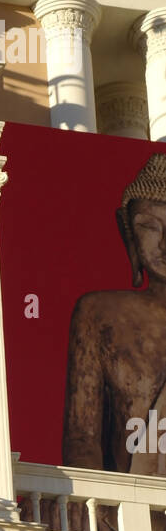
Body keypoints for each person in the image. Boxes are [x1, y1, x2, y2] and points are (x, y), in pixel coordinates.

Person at [63, 154, 166, 478]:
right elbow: (83, 438)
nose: (164, 243)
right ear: (130, 237)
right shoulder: (101, 314)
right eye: (149, 227)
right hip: (131, 514)